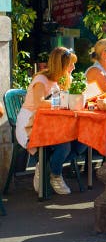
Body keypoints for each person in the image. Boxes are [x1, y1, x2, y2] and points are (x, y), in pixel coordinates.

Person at [15, 47, 87, 195]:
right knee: (65, 145)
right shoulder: (41, 79)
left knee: (82, 140)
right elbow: (39, 103)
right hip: (31, 124)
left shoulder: (62, 79)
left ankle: (45, 165)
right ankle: (55, 175)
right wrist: (65, 101)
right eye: (70, 64)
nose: (73, 67)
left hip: (54, 124)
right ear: (61, 65)